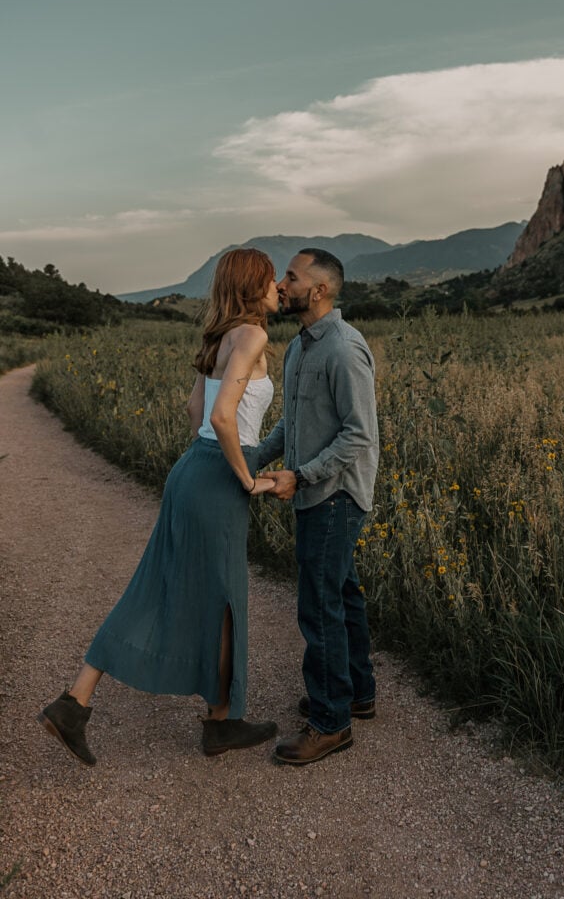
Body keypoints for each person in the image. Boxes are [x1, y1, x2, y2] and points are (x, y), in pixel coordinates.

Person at [38, 248, 280, 765]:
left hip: (192, 469)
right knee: (222, 597)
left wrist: (211, 462)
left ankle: (79, 702)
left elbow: (194, 408)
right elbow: (219, 416)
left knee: (165, 586)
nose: (278, 285)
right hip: (218, 476)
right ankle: (219, 722)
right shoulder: (254, 335)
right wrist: (247, 477)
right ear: (252, 284)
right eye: (271, 277)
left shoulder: (218, 337)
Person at [254, 248, 379, 765]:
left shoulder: (345, 350)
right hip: (313, 488)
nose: (281, 285)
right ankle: (356, 693)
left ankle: (330, 722)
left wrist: (300, 476)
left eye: (291, 277)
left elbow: (359, 435)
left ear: (320, 289)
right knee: (342, 592)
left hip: (335, 494)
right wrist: (250, 458)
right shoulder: (300, 347)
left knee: (318, 603)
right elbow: (292, 423)